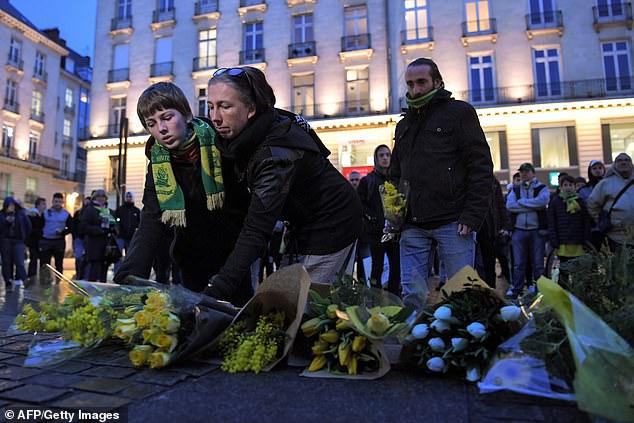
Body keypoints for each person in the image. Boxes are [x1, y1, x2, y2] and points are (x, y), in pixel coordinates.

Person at [204, 66, 362, 301]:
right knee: (289, 297)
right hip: (302, 223)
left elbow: (256, 229)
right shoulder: (258, 128)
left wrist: (218, 288)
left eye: (225, 106)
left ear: (250, 109)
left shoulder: (275, 154)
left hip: (334, 221)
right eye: (210, 106)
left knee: (311, 306)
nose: (215, 118)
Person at [114, 82, 252, 305]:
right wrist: (129, 278)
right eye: (152, 123)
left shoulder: (222, 143)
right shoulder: (157, 166)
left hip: (233, 258)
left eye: (167, 117)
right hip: (190, 262)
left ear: (187, 114)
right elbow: (150, 221)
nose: (162, 129)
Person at [390, 58, 494, 310]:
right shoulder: (404, 124)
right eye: (410, 84)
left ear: (437, 81)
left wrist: (472, 216)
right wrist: (394, 216)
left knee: (461, 294)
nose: (415, 89)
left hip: (453, 221)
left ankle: (459, 346)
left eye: (421, 82)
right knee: (412, 296)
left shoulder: (459, 113)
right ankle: (414, 345)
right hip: (412, 224)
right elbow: (396, 174)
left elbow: (480, 167)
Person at [357, 144, 400, 295]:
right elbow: (360, 204)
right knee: (377, 266)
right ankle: (376, 297)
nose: (385, 158)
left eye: (388, 155)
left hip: (394, 231)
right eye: (381, 155)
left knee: (396, 266)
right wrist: (373, 219)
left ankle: (395, 297)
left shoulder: (396, 180)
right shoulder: (367, 181)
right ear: (376, 158)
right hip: (376, 232)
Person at [506, 162, 550, 299]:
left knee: (538, 263)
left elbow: (542, 202)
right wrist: (533, 206)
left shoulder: (541, 187)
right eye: (521, 172)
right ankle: (517, 288)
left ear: (533, 172)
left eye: (526, 171)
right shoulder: (516, 189)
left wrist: (522, 202)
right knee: (518, 263)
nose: (523, 174)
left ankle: (540, 289)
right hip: (518, 230)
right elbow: (510, 206)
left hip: (537, 230)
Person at [547, 174, 591, 284]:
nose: (568, 187)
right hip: (563, 242)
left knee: (578, 270)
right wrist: (554, 239)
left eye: (570, 185)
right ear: (560, 187)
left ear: (575, 187)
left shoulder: (580, 201)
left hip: (578, 241)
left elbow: (586, 222)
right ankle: (564, 292)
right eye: (565, 185)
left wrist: (586, 239)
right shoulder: (555, 201)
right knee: (564, 269)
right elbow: (551, 222)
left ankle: (577, 292)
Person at [587, 153, 634, 252]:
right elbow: (592, 204)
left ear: (631, 164)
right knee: (620, 266)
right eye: (620, 160)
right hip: (616, 237)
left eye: (626, 160)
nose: (623, 162)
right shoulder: (605, 183)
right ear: (614, 164)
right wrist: (602, 220)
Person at [0, 197, 31, 288]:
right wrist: (6, 222)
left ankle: (25, 280)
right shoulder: (2, 215)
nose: (11, 207)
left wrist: (24, 238)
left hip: (18, 241)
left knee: (20, 261)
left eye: (12, 205)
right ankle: (8, 281)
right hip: (5, 241)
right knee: (6, 262)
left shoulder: (21, 214)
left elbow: (28, 226)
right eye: (9, 205)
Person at [39, 193, 72, 275]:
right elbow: (39, 226)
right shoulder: (45, 213)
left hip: (59, 241)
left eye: (60, 202)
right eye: (56, 201)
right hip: (46, 240)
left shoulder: (66, 214)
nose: (58, 204)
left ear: (62, 203)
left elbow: (71, 227)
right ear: (52, 201)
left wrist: (63, 232)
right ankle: (44, 282)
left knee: (59, 264)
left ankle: (58, 282)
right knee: (44, 264)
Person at [114, 191, 141, 273]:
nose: (129, 198)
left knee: (129, 256)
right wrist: (117, 231)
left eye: (130, 197)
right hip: (121, 236)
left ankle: (127, 272)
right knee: (118, 256)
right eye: (127, 197)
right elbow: (116, 221)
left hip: (131, 237)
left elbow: (139, 223)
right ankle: (117, 272)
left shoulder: (136, 211)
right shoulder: (120, 209)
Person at [25, 197, 46, 278]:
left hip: (38, 241)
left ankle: (35, 277)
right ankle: (32, 277)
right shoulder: (33, 215)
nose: (45, 206)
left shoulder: (41, 215)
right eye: (43, 204)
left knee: (37, 260)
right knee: (34, 259)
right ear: (38, 205)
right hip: (34, 241)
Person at [71, 196, 91, 278]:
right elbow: (73, 226)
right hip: (79, 238)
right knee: (79, 257)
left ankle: (85, 275)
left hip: (89, 238)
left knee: (87, 258)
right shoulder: (78, 213)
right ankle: (79, 273)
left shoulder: (92, 213)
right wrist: (75, 236)